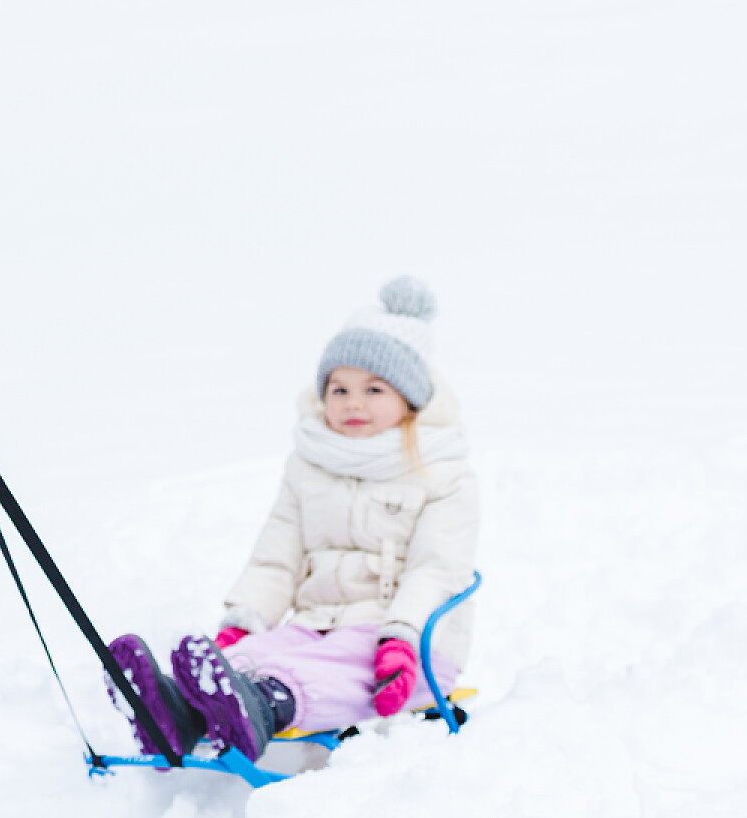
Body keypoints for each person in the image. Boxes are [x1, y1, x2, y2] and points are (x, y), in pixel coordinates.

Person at [106, 277, 478, 762]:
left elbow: (437, 568)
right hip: (316, 627)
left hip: (405, 648)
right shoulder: (309, 465)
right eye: (339, 388)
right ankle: (175, 713)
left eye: (373, 388)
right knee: (252, 659)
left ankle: (263, 707)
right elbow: (276, 557)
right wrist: (245, 623)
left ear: (409, 400)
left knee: (328, 669)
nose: (353, 402)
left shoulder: (443, 475)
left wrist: (402, 637)